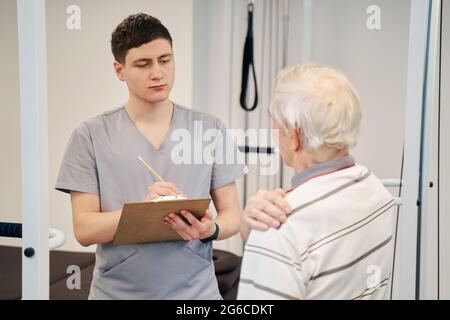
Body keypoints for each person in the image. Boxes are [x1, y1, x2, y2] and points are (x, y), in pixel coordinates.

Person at [55, 13, 247, 299]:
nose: (157, 73)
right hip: (118, 293)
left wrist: (212, 228)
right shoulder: (90, 135)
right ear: (120, 70)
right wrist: (143, 213)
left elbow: (233, 215)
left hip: (196, 295)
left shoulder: (209, 128)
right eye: (143, 64)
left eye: (165, 60)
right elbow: (84, 229)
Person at [237, 64, 395, 300]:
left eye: (276, 125)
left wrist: (264, 243)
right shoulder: (377, 192)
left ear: (294, 136)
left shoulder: (281, 229)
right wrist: (252, 234)